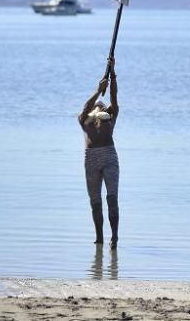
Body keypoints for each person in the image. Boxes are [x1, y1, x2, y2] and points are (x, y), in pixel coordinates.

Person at [79, 58, 120, 248]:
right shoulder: (85, 120)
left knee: (111, 197)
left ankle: (114, 236)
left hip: (109, 156)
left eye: (102, 105)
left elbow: (114, 97)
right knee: (95, 200)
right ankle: (99, 237)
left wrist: (112, 74)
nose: (100, 105)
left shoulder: (109, 118)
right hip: (91, 159)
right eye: (98, 104)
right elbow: (87, 107)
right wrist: (97, 91)